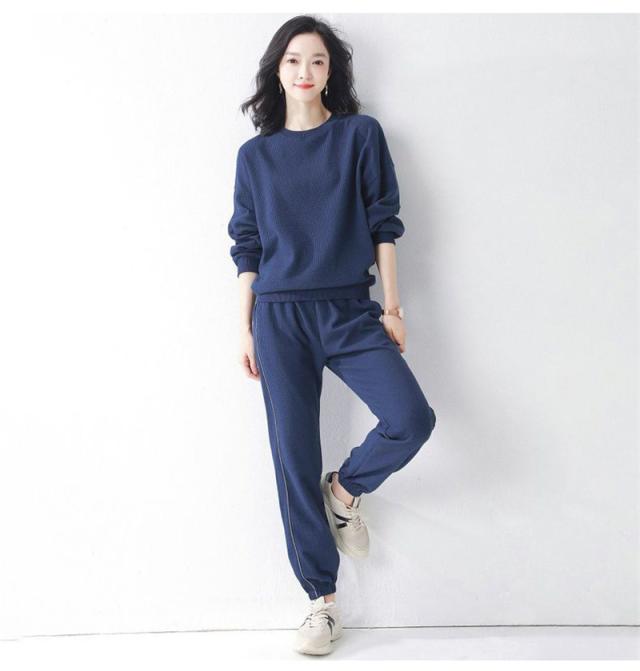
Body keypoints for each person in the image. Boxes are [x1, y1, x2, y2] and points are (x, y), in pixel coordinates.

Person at [227, 15, 437, 656]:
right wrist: (243, 326)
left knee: (410, 418)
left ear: (331, 73)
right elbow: (247, 245)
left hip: (349, 310)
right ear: (277, 70)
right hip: (279, 317)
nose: (305, 72)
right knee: (292, 456)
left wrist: (393, 307)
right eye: (293, 60)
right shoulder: (255, 156)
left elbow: (383, 223)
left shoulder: (359, 136)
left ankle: (343, 491)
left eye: (317, 61)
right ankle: (321, 604)